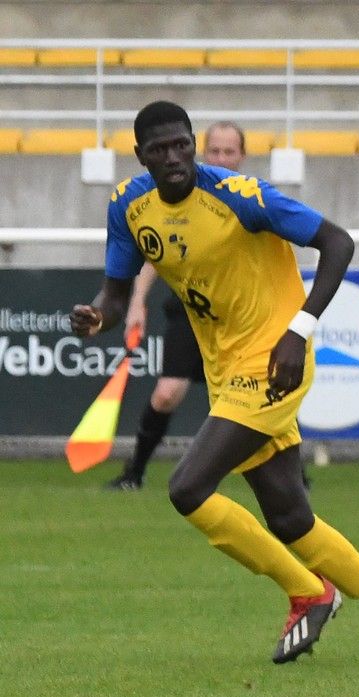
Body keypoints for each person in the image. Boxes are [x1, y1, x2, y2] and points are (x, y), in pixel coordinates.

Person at [71, 100, 359, 664]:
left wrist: (300, 329)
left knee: (187, 488)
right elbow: (117, 294)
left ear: (193, 143)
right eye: (160, 149)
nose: (174, 157)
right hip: (226, 369)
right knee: (291, 518)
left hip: (275, 362)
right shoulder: (128, 207)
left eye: (182, 144)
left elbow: (338, 242)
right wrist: (99, 315)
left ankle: (309, 593)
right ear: (140, 156)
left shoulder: (239, 197)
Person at [106, 121, 249, 491]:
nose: (220, 158)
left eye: (228, 152)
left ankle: (292, 477)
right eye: (214, 151)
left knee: (257, 399)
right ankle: (133, 473)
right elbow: (156, 254)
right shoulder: (185, 196)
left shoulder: (250, 201)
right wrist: (138, 301)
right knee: (167, 393)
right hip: (191, 310)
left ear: (242, 157)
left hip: (241, 318)